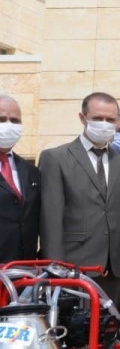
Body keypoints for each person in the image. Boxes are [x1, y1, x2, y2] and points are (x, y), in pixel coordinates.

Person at [38, 92, 120, 303]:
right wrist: (56, 269)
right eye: (98, 118)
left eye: (111, 120)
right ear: (82, 118)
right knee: (71, 332)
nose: (104, 124)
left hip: (113, 271)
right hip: (73, 269)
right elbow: (51, 221)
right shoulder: (56, 158)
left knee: (107, 332)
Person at [0, 95, 39, 264]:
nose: (9, 125)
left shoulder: (31, 171)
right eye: (1, 119)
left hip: (23, 272)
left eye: (15, 121)